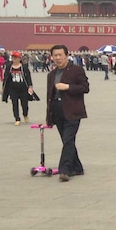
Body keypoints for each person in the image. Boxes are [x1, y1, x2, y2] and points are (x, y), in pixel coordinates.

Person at [46, 44, 89, 182]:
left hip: (73, 110)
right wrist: (49, 115)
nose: (58, 58)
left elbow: (85, 87)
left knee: (68, 139)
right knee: (67, 141)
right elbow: (50, 96)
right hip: (58, 110)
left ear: (66, 55)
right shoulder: (51, 75)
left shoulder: (76, 70)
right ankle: (77, 167)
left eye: (60, 55)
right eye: (55, 55)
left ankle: (64, 170)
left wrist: (68, 87)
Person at [1, 51, 35, 125]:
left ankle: (25, 114)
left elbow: (28, 77)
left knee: (24, 104)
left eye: (16, 58)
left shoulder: (24, 67)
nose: (14, 59)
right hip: (13, 89)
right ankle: (17, 119)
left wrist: (30, 87)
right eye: (13, 58)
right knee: (14, 104)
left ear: (19, 59)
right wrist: (3, 87)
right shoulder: (9, 67)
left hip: (23, 89)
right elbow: (6, 78)